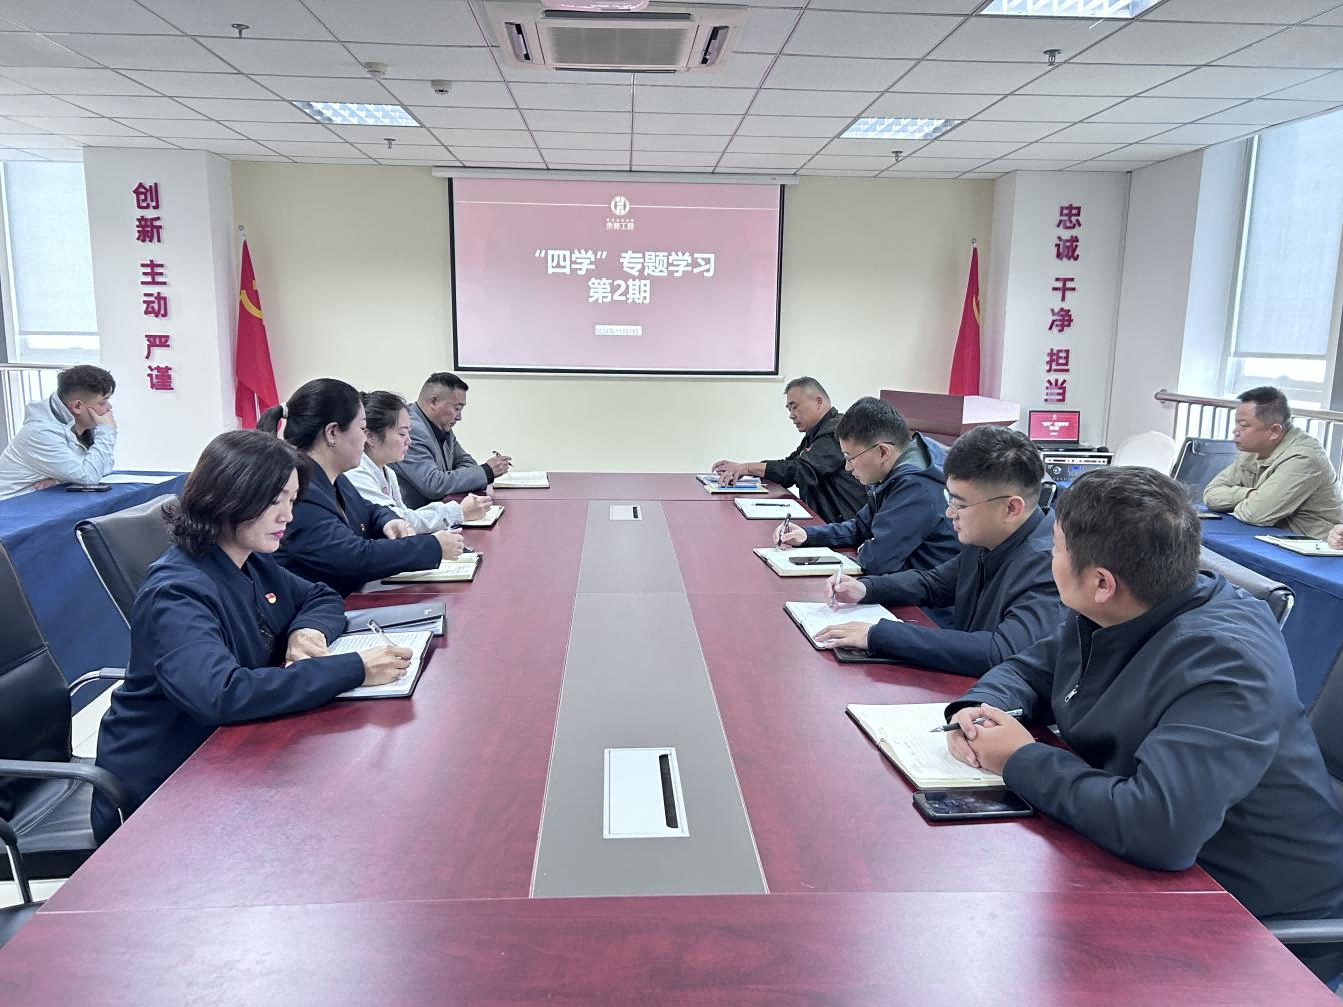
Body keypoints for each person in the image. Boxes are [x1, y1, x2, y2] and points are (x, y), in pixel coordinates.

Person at [943, 466, 1343, 984]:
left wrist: (1019, 758)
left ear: (1101, 582)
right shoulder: (1118, 607)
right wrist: (980, 707)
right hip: (1149, 871)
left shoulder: (1225, 662)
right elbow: (1029, 669)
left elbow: (1159, 829)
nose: (1047, 558)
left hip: (1253, 920)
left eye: (1056, 548)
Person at [92, 430, 414, 842]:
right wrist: (353, 668)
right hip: (164, 788)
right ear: (229, 497)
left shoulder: (248, 559)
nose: (288, 516)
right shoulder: (176, 592)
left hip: (229, 760)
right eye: (275, 500)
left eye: (292, 500)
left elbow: (320, 595)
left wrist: (306, 630)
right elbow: (221, 694)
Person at [815, 426, 1062, 675]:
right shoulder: (988, 536)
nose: (949, 513)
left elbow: (1000, 651)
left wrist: (878, 635)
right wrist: (866, 588)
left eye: (960, 505)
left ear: (1011, 508)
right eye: (949, 499)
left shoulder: (1050, 564)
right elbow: (934, 584)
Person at [257, 379, 458, 596]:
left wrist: (388, 520)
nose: (365, 438)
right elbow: (354, 557)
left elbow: (368, 509)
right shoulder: (299, 490)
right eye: (362, 428)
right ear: (332, 432)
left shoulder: (335, 478)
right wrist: (432, 546)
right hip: (313, 609)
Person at [774, 397, 957, 576]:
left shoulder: (915, 487)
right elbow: (861, 527)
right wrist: (808, 535)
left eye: (850, 457)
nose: (847, 467)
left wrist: (866, 546)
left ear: (882, 452)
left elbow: (876, 562)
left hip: (926, 594)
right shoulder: (894, 470)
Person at [711, 376, 866, 523]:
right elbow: (790, 464)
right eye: (789, 409)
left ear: (818, 402)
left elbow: (800, 471)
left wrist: (747, 468)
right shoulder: (817, 432)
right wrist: (744, 469)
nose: (791, 416)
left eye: (795, 407)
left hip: (845, 526)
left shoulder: (835, 432)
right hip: (826, 522)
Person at [1204, 386, 1342, 539]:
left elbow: (1255, 514)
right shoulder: (1252, 450)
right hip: (1270, 536)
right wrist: (1248, 494)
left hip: (1308, 544)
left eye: (1243, 425)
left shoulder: (1304, 457)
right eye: (1236, 423)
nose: (1235, 431)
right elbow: (1211, 495)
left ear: (1275, 431)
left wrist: (1234, 501)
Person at [347, 390, 493, 533]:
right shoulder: (356, 473)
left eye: (409, 432)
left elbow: (405, 516)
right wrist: (458, 512)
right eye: (402, 433)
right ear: (370, 436)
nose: (409, 441)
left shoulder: (387, 471)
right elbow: (399, 522)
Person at [394, 372, 511, 508]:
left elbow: (467, 462)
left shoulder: (441, 425)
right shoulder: (409, 429)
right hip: (415, 516)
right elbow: (433, 485)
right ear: (434, 402)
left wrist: (449, 479)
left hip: (441, 511)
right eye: (457, 408)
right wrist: (486, 471)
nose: (459, 417)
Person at [0, 364, 117, 500]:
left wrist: (59, 480)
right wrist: (107, 431)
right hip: (9, 506)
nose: (109, 408)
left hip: (40, 501)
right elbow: (89, 477)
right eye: (103, 402)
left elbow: (105, 467)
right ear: (77, 406)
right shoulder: (40, 433)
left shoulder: (82, 426)